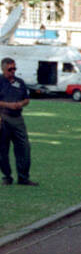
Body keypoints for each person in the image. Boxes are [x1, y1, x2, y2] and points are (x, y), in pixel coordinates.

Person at [0, 57, 34, 185]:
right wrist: (8, 105)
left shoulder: (19, 82)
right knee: (3, 149)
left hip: (17, 118)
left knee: (24, 147)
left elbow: (26, 99)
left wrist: (21, 103)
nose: (13, 71)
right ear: (3, 69)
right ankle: (7, 176)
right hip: (3, 117)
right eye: (10, 69)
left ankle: (23, 177)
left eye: (14, 68)